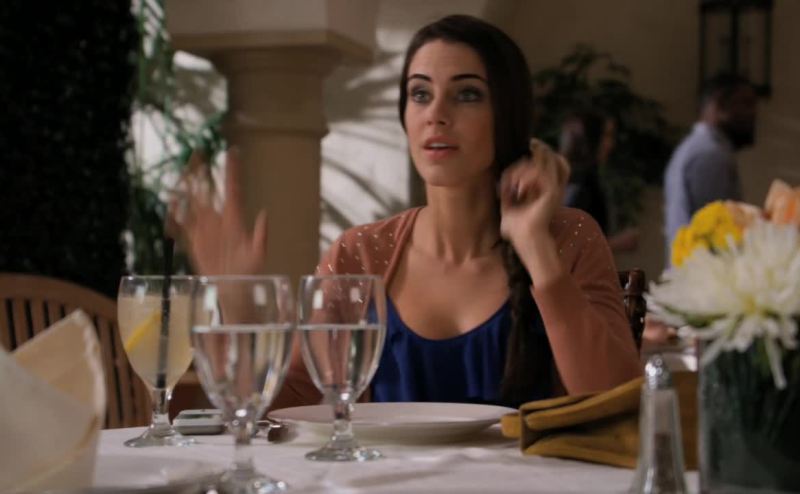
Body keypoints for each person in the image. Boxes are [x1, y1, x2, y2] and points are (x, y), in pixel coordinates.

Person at [175, 15, 641, 409]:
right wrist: (236, 308)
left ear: (508, 115)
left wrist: (535, 246)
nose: (436, 113)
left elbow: (617, 403)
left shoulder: (568, 238)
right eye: (420, 94)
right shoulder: (359, 254)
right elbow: (286, 408)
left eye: (467, 94)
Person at [663, 73, 757, 263]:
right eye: (746, 104)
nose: (754, 114)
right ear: (720, 105)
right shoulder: (710, 154)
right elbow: (716, 232)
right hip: (704, 273)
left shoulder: (696, 147)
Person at [559, 109, 639, 253]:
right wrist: (616, 244)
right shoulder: (580, 185)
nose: (611, 144)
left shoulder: (574, 179)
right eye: (606, 136)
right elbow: (568, 246)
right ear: (590, 139)